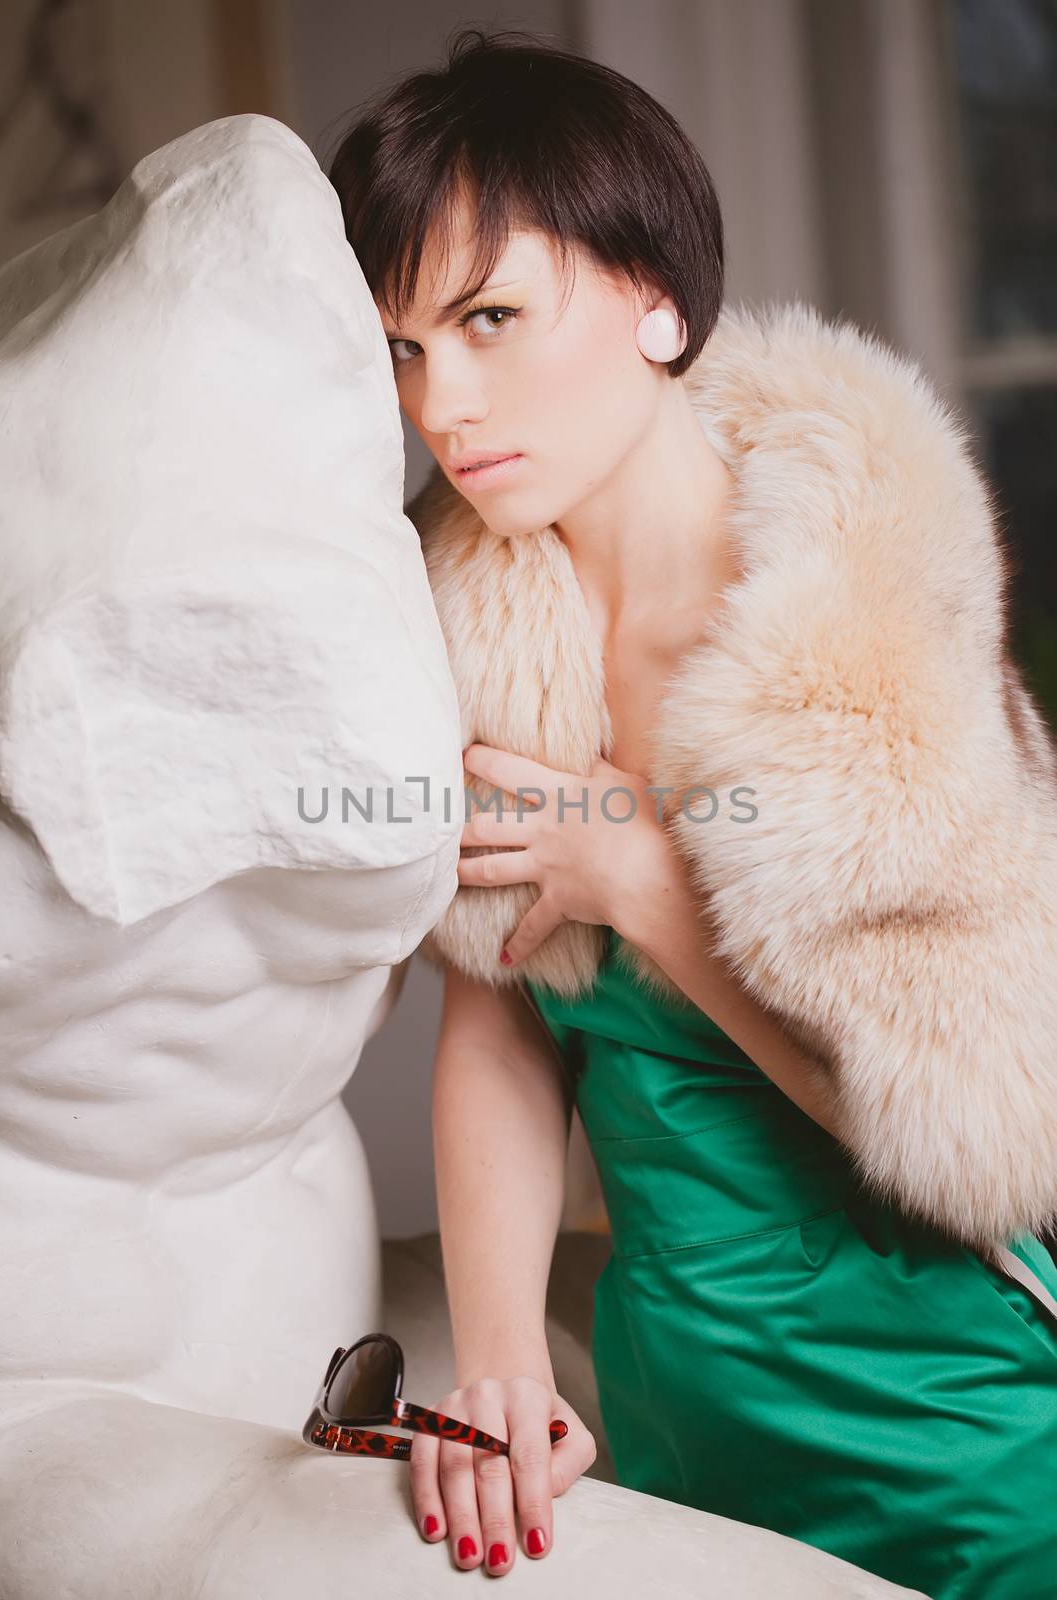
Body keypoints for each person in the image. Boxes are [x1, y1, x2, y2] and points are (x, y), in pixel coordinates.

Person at [327, 24, 1057, 1600]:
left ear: (658, 302)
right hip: (684, 1409)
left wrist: (646, 883)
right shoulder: (468, 635)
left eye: (492, 318)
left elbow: (976, 1126)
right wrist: (507, 1368)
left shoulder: (865, 628)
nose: (442, 401)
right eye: (403, 348)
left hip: (962, 1408)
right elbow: (503, 1028)